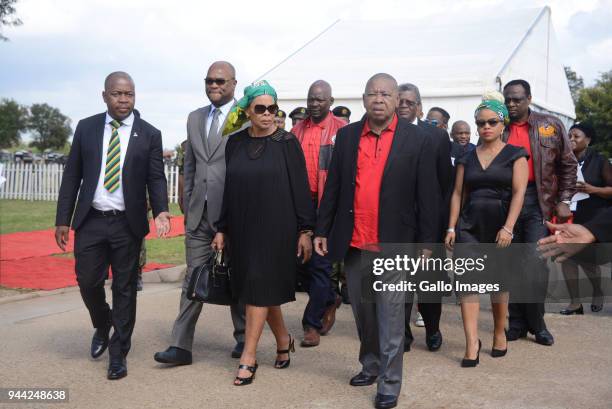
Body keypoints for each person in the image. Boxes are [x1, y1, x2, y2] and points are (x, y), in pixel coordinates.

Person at [314, 73, 438, 409]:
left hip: (396, 243)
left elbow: (428, 194)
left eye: (385, 93)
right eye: (372, 93)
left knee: (391, 315)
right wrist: (322, 229)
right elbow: (334, 188)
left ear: (397, 99)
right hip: (355, 242)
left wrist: (428, 242)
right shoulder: (349, 136)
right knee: (365, 314)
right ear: (364, 99)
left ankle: (389, 383)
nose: (378, 99)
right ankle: (370, 365)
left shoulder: (417, 139)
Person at [55, 71, 171, 380]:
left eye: (129, 94)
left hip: (126, 224)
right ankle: (102, 322)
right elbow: (72, 176)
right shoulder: (86, 128)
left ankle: (118, 353)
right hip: (91, 220)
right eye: (118, 94)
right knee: (87, 281)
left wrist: (161, 210)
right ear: (105, 95)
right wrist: (62, 220)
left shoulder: (149, 134)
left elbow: (156, 177)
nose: (124, 99)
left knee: (125, 288)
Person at [212, 80, 315, 386]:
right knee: (259, 288)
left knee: (257, 285)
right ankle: (283, 340)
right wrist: (222, 228)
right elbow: (229, 190)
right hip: (243, 228)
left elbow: (301, 189)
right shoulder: (236, 143)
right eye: (261, 108)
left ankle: (248, 356)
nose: (269, 114)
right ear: (248, 111)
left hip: (277, 228)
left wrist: (305, 230)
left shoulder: (287, 143)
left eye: (273, 108)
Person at [154, 61, 246, 367]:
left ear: (234, 83)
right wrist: (189, 196)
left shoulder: (245, 118)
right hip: (198, 215)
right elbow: (191, 164)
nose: (214, 85)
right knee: (194, 278)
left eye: (220, 81)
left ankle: (244, 337)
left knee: (237, 276)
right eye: (209, 81)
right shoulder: (194, 118)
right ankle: (180, 346)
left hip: (234, 215)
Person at [445, 92, 529, 367]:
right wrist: (451, 227)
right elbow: (458, 193)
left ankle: (497, 331)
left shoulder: (516, 155)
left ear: (503, 123)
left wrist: (508, 228)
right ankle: (471, 343)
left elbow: (519, 193)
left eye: (492, 121)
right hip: (469, 226)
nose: (486, 127)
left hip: (500, 226)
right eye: (480, 123)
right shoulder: (466, 157)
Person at [503, 79, 577, 346]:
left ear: (529, 98)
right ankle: (517, 323)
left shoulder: (550, 125)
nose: (512, 104)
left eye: (517, 99)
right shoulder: (499, 127)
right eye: (508, 99)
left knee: (534, 263)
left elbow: (568, 164)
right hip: (508, 201)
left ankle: (537, 323)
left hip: (539, 201)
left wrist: (565, 198)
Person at [397, 82, 453, 353]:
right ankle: (403, 334)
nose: (404, 106)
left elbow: (446, 184)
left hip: (430, 222)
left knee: (429, 281)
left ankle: (432, 329)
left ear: (418, 105)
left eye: (410, 102)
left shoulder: (437, 137)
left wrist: (442, 226)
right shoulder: (388, 133)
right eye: (401, 101)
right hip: (399, 221)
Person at [291, 80, 346, 347]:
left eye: (320, 100)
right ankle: (328, 299)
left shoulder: (343, 131)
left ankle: (310, 324)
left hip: (327, 206)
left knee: (320, 265)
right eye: (311, 99)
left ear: (331, 102)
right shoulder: (296, 130)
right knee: (301, 263)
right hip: (299, 206)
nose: (314, 104)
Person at [559, 123, 611, 314]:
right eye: (569, 136)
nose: (571, 139)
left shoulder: (599, 161)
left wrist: (593, 189)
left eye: (576, 136)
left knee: (588, 261)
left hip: (594, 217)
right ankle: (575, 303)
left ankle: (597, 291)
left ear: (588, 140)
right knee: (566, 256)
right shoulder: (564, 160)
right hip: (569, 215)